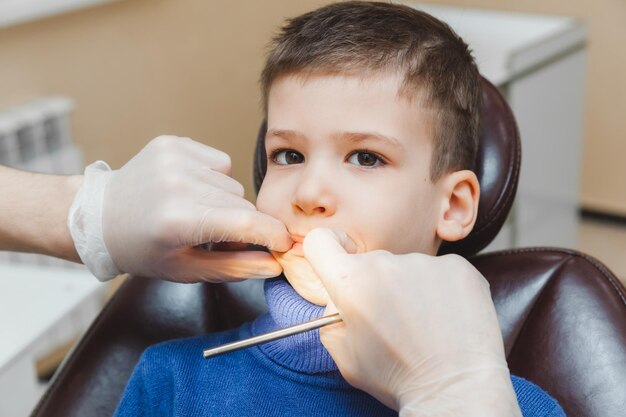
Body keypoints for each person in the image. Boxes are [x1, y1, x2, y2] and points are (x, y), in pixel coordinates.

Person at [112, 2, 565, 417]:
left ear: (452, 205)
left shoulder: (511, 407)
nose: (309, 193)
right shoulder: (171, 381)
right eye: (289, 155)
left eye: (366, 157)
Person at [0, 135, 292, 282]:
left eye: (342, 160)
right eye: (291, 156)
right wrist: (96, 214)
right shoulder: (167, 373)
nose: (309, 195)